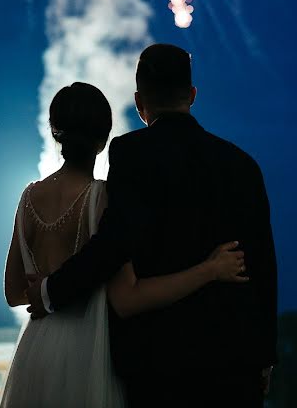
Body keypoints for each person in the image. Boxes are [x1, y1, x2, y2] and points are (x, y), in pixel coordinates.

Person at [27, 44, 278, 408]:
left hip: (160, 368)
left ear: (139, 101)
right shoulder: (243, 165)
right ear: (192, 95)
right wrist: (264, 356)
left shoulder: (133, 153)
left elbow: (113, 244)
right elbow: (264, 266)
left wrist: (50, 291)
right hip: (233, 366)